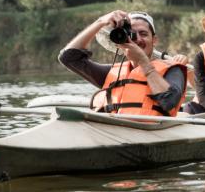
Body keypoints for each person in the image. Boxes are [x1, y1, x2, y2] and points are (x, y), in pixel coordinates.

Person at [58, 10, 189, 117]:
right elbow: (68, 57)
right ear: (121, 41)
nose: (137, 39)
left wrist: (143, 62)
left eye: (143, 34)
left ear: (154, 40)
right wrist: (100, 22)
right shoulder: (112, 73)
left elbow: (169, 102)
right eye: (131, 34)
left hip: (149, 134)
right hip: (112, 132)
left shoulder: (173, 70)